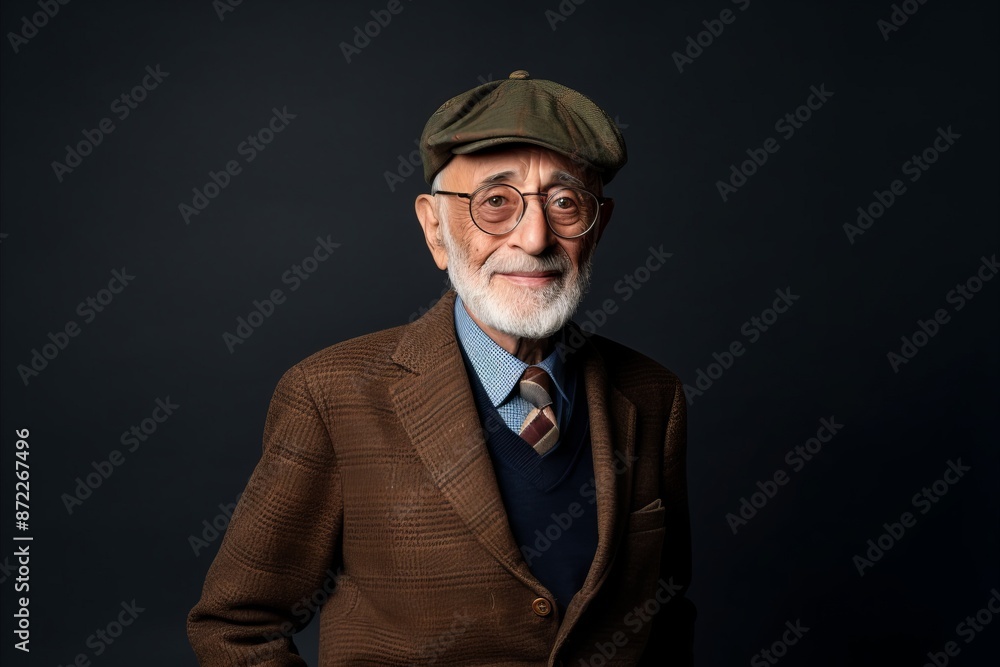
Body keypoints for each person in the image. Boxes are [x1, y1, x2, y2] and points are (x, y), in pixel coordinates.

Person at [187, 69, 695, 666]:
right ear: (434, 228)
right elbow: (236, 627)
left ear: (598, 227)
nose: (535, 239)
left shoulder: (653, 395)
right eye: (496, 202)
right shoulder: (331, 395)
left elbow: (664, 615)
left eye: (564, 203)